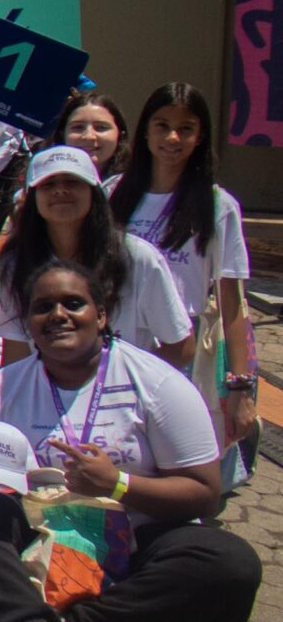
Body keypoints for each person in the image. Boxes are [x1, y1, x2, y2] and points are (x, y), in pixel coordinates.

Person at [0, 259, 262, 622]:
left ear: (102, 314)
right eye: (42, 307)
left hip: (136, 544)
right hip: (35, 544)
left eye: (74, 303)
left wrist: (119, 484)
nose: (58, 315)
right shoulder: (0, 388)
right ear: (28, 323)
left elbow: (204, 495)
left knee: (229, 565)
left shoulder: (157, 383)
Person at [109, 83, 256, 456]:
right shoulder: (111, 193)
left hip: (181, 350)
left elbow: (231, 303)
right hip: (117, 343)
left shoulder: (218, 205)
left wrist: (240, 386)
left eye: (186, 128)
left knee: (178, 455)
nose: (172, 137)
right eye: (162, 125)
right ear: (144, 131)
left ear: (200, 136)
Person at [0, 147, 190, 367]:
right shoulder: (14, 264)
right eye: (48, 184)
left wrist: (135, 386)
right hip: (46, 397)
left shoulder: (138, 258)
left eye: (73, 182)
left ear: (94, 193)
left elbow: (182, 346)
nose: (60, 191)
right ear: (32, 198)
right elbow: (15, 354)